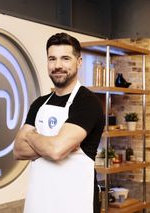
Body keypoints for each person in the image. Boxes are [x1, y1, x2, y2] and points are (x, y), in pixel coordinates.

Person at [13, 32, 104, 213]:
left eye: (65, 58)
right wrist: (53, 142)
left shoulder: (87, 102)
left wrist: (30, 135)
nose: (57, 66)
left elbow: (56, 151)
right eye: (52, 59)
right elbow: (18, 150)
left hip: (75, 204)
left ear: (78, 62)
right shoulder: (39, 103)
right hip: (39, 202)